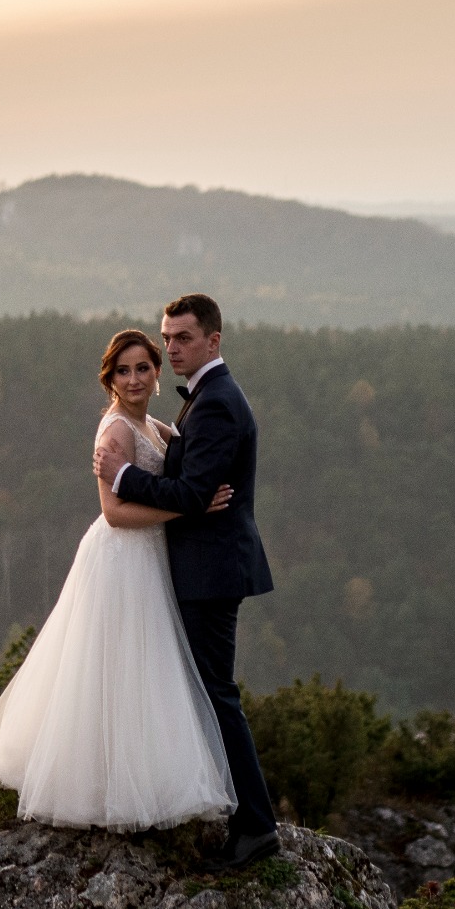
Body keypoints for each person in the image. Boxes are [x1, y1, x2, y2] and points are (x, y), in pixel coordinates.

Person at [0, 326, 238, 835]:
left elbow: (174, 452)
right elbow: (115, 512)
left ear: (157, 373)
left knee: (144, 669)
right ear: (110, 378)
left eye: (144, 367)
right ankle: (103, 791)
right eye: (124, 370)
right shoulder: (115, 432)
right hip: (120, 557)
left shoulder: (152, 426)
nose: (135, 378)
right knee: (115, 669)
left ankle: (141, 782)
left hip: (148, 556)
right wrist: (187, 511)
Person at [93, 293, 280, 870]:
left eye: (183, 338)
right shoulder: (202, 401)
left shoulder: (217, 403)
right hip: (200, 566)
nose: (172, 347)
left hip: (211, 570)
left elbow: (198, 494)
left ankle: (255, 825)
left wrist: (125, 474)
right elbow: (193, 484)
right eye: (166, 337)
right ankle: (236, 814)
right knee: (205, 693)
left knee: (217, 695)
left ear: (213, 341)